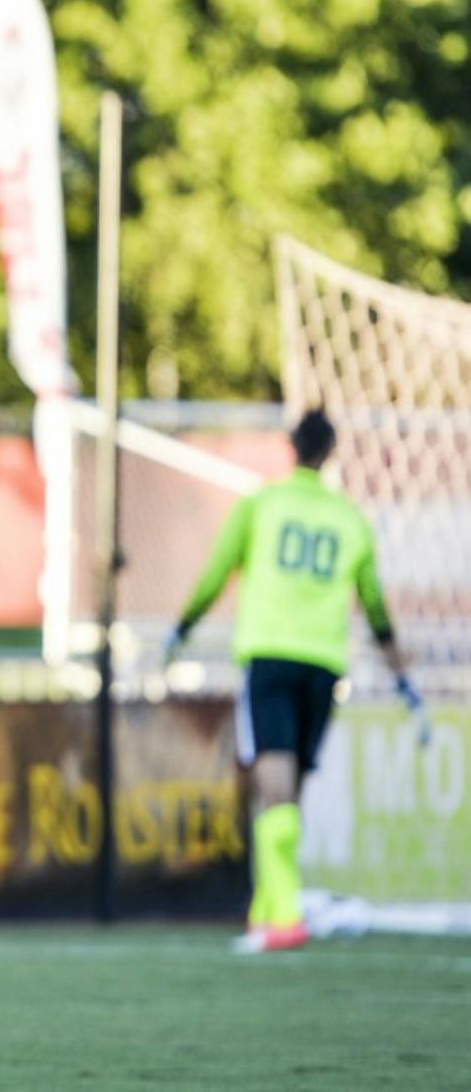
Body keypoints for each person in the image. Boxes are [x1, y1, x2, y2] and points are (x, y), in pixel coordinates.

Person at [166, 408, 425, 954]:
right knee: (292, 791)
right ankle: (268, 906)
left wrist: (182, 629)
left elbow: (217, 571)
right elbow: (374, 602)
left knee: (273, 785)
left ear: (291, 447)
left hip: (270, 654)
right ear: (330, 453)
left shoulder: (262, 504)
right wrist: (396, 664)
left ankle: (284, 915)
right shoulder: (349, 519)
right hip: (324, 663)